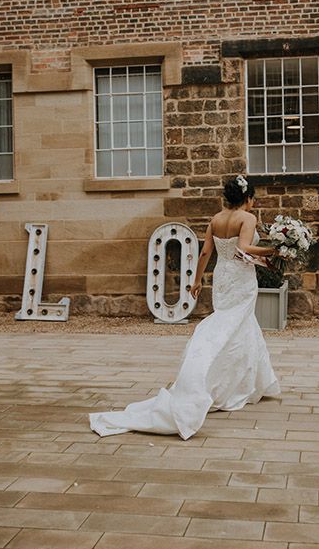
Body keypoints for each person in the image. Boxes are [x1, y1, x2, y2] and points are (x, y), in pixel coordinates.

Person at [89, 175, 281, 440]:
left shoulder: (216, 219)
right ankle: (221, 382)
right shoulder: (247, 219)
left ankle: (247, 382)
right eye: (253, 198)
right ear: (248, 198)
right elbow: (243, 249)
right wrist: (276, 251)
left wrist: (196, 280)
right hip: (240, 278)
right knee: (232, 326)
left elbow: (205, 252)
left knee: (240, 324)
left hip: (222, 277)